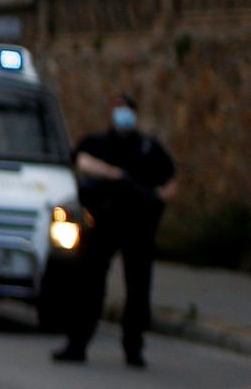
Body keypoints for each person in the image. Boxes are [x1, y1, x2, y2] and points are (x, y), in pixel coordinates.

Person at [53, 93, 178, 369]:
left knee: (138, 288)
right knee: (89, 283)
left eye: (127, 110)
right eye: (119, 109)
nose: (122, 115)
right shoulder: (99, 143)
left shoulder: (147, 148)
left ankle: (134, 347)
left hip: (138, 225)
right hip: (104, 221)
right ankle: (78, 343)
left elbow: (171, 182)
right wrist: (114, 174)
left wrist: (154, 198)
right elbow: (80, 160)